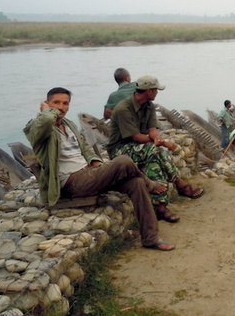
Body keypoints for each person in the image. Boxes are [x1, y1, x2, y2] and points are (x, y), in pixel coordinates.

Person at [24, 87, 174, 251]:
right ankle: (151, 185)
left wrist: (98, 165)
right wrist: (46, 111)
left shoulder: (69, 125)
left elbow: (86, 149)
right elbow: (45, 121)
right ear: (46, 104)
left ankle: (150, 238)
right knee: (124, 160)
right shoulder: (37, 127)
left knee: (136, 182)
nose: (61, 107)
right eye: (56, 103)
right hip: (71, 182)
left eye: (65, 103)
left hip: (89, 175)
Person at [107, 75, 204, 223]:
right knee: (157, 150)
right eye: (156, 90)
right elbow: (136, 137)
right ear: (149, 91)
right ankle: (179, 184)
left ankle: (161, 207)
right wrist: (163, 143)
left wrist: (158, 140)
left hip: (138, 147)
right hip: (119, 150)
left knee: (153, 162)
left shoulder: (149, 106)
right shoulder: (123, 109)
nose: (157, 93)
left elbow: (152, 131)